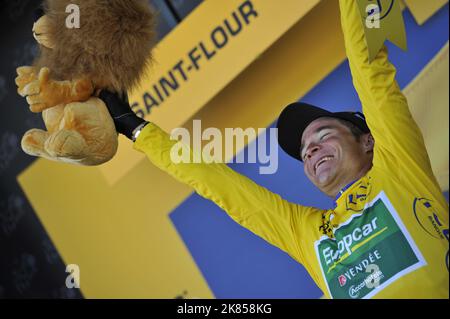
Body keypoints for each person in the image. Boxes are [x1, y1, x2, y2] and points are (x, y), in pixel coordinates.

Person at [99, 0, 448, 298]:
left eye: (323, 134)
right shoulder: (305, 232)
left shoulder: (400, 166)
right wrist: (136, 129)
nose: (310, 150)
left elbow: (370, 71)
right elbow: (223, 187)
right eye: (305, 150)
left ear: (368, 141)